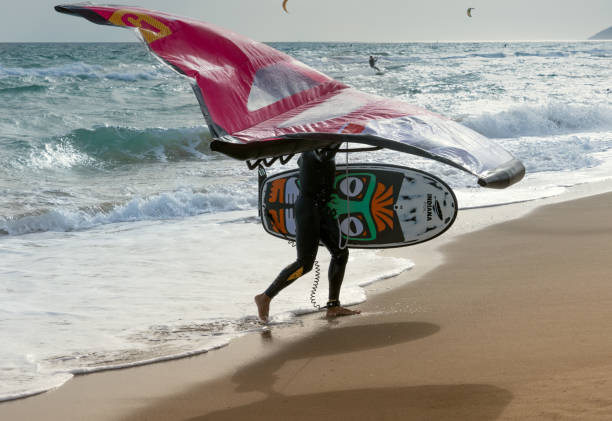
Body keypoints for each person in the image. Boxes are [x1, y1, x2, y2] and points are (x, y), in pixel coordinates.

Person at [254, 149, 361, 322]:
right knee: (305, 263)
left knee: (341, 253)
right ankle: (265, 297)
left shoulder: (320, 147)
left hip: (323, 208)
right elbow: (319, 154)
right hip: (308, 209)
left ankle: (333, 306)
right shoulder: (317, 150)